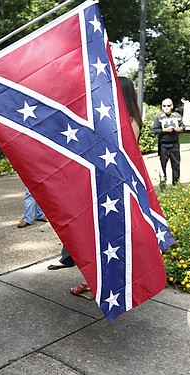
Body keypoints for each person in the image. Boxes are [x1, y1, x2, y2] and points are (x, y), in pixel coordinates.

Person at [67, 77, 145, 296]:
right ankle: (97, 280)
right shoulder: (128, 118)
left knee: (108, 236)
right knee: (105, 236)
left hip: (114, 185)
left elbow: (119, 152)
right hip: (113, 182)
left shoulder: (127, 121)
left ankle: (99, 283)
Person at [153, 98, 184, 186]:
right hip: (163, 146)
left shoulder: (177, 116)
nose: (166, 107)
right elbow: (155, 131)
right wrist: (165, 130)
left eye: (168, 105)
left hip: (175, 145)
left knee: (176, 165)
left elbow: (183, 126)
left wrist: (180, 129)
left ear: (172, 106)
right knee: (162, 166)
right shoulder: (158, 118)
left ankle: (176, 185)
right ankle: (163, 185)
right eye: (164, 106)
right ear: (162, 107)